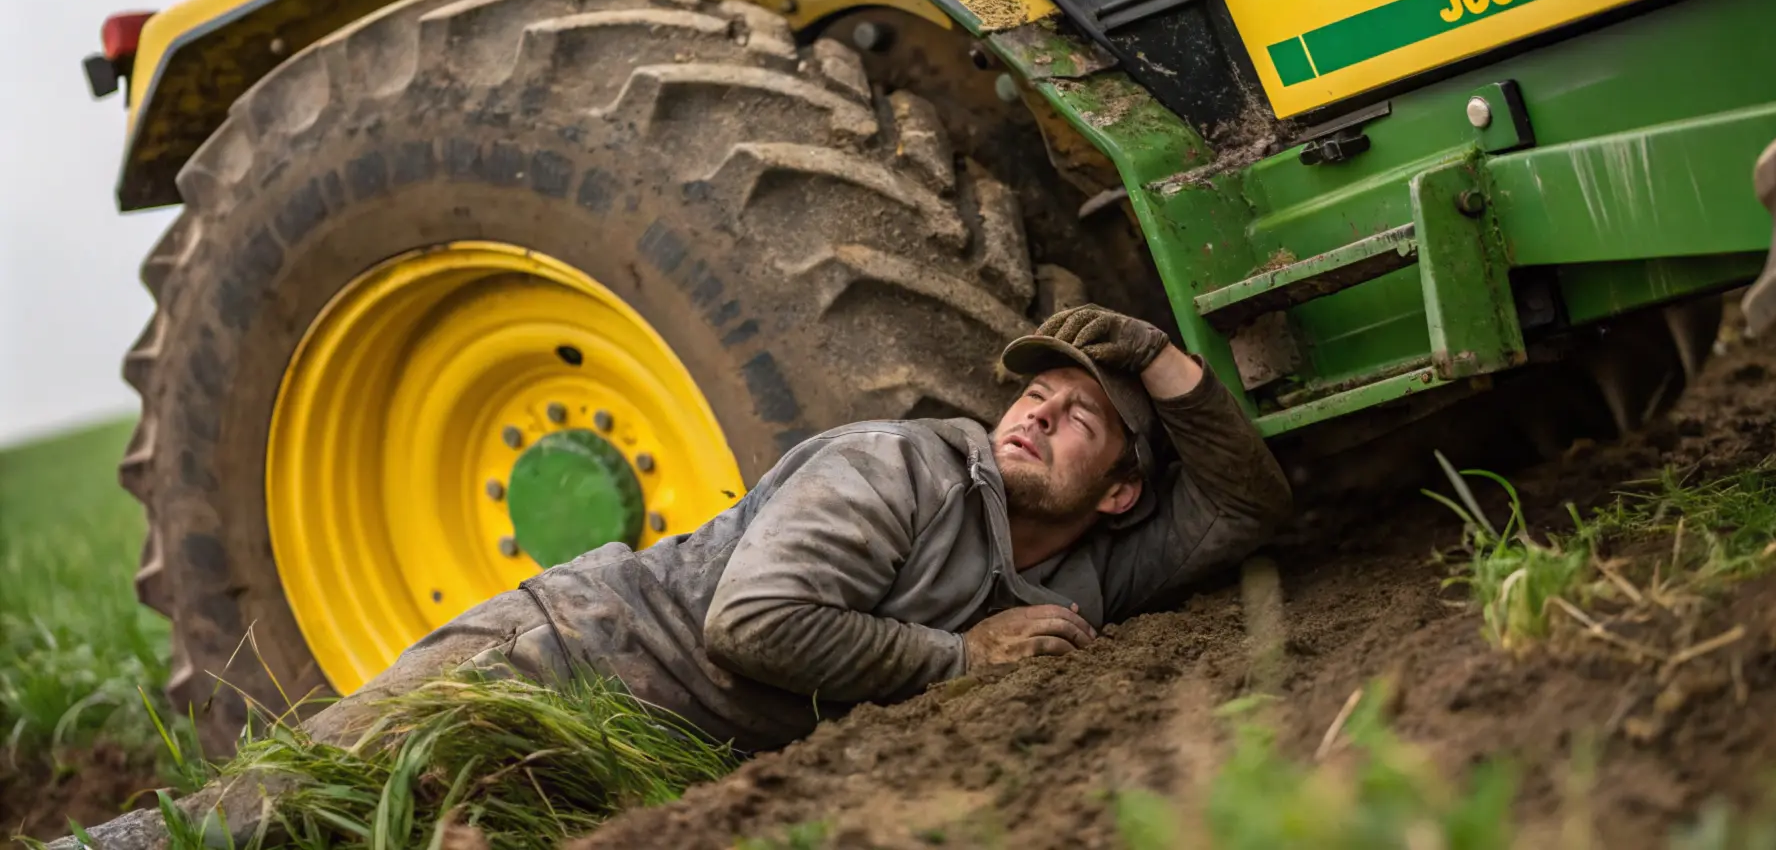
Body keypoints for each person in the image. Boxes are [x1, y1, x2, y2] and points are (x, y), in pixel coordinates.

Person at [57, 305, 1291, 848]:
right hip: (550, 662)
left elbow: (1245, 505)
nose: (1031, 414)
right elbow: (755, 622)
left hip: (627, 753)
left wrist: (1160, 358)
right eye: (1030, 391)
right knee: (266, 815)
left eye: (1076, 417)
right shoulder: (901, 464)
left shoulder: (1082, 588)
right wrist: (964, 661)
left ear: (1120, 491)